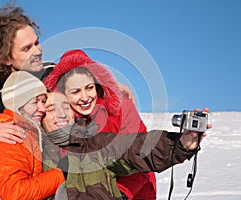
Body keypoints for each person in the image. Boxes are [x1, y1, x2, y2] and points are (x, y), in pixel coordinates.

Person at [0, 4, 134, 199]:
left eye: (37, 43)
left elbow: (80, 76)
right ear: (6, 59)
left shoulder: (50, 73)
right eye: (27, 48)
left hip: (46, 184)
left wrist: (105, 83)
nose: (37, 51)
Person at [43, 49, 211, 199]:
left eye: (89, 88)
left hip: (137, 187)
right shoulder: (67, 123)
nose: (85, 97)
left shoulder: (121, 107)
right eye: (76, 91)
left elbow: (137, 151)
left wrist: (179, 144)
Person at [0, 71, 65, 200]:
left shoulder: (28, 132)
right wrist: (61, 175)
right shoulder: (10, 135)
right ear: (18, 104)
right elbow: (15, 193)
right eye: (35, 102)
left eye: (43, 102)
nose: (42, 108)